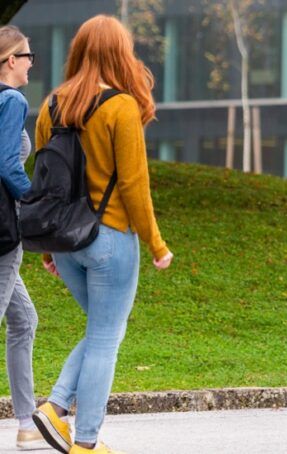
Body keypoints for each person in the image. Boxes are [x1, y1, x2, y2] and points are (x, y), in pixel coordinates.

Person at [30, 15, 173, 454]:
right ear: (119, 53)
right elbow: (133, 184)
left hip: (66, 240)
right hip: (109, 239)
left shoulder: (51, 104)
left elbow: (43, 178)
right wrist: (156, 243)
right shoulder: (121, 106)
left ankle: (56, 408)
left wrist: (49, 247)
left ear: (78, 50)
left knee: (101, 330)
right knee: (106, 339)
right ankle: (86, 442)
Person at [0, 25, 46, 451]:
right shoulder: (11, 99)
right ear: (11, 60)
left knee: (23, 320)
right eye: (28, 55)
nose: (33, 63)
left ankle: (26, 422)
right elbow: (7, 164)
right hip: (4, 230)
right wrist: (34, 205)